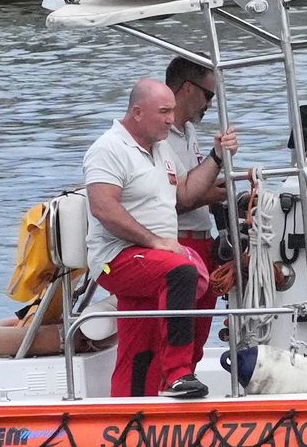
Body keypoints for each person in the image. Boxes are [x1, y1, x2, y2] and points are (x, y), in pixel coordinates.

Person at [84, 78, 239, 398]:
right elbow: (103, 208)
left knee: (139, 349)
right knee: (180, 272)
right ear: (137, 113)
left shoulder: (160, 148)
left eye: (171, 111)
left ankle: (134, 412)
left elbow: (185, 194)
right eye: (164, 112)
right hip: (117, 257)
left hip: (151, 260)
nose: (172, 119)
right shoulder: (108, 148)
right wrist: (153, 241)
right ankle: (177, 375)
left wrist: (217, 155)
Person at [164, 56, 228, 368]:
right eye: (208, 96)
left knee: (197, 337)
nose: (210, 105)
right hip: (180, 244)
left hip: (202, 243)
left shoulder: (187, 132)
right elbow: (181, 197)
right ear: (188, 89)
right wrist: (210, 189)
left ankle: (187, 381)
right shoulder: (161, 139)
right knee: (179, 337)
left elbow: (195, 187)